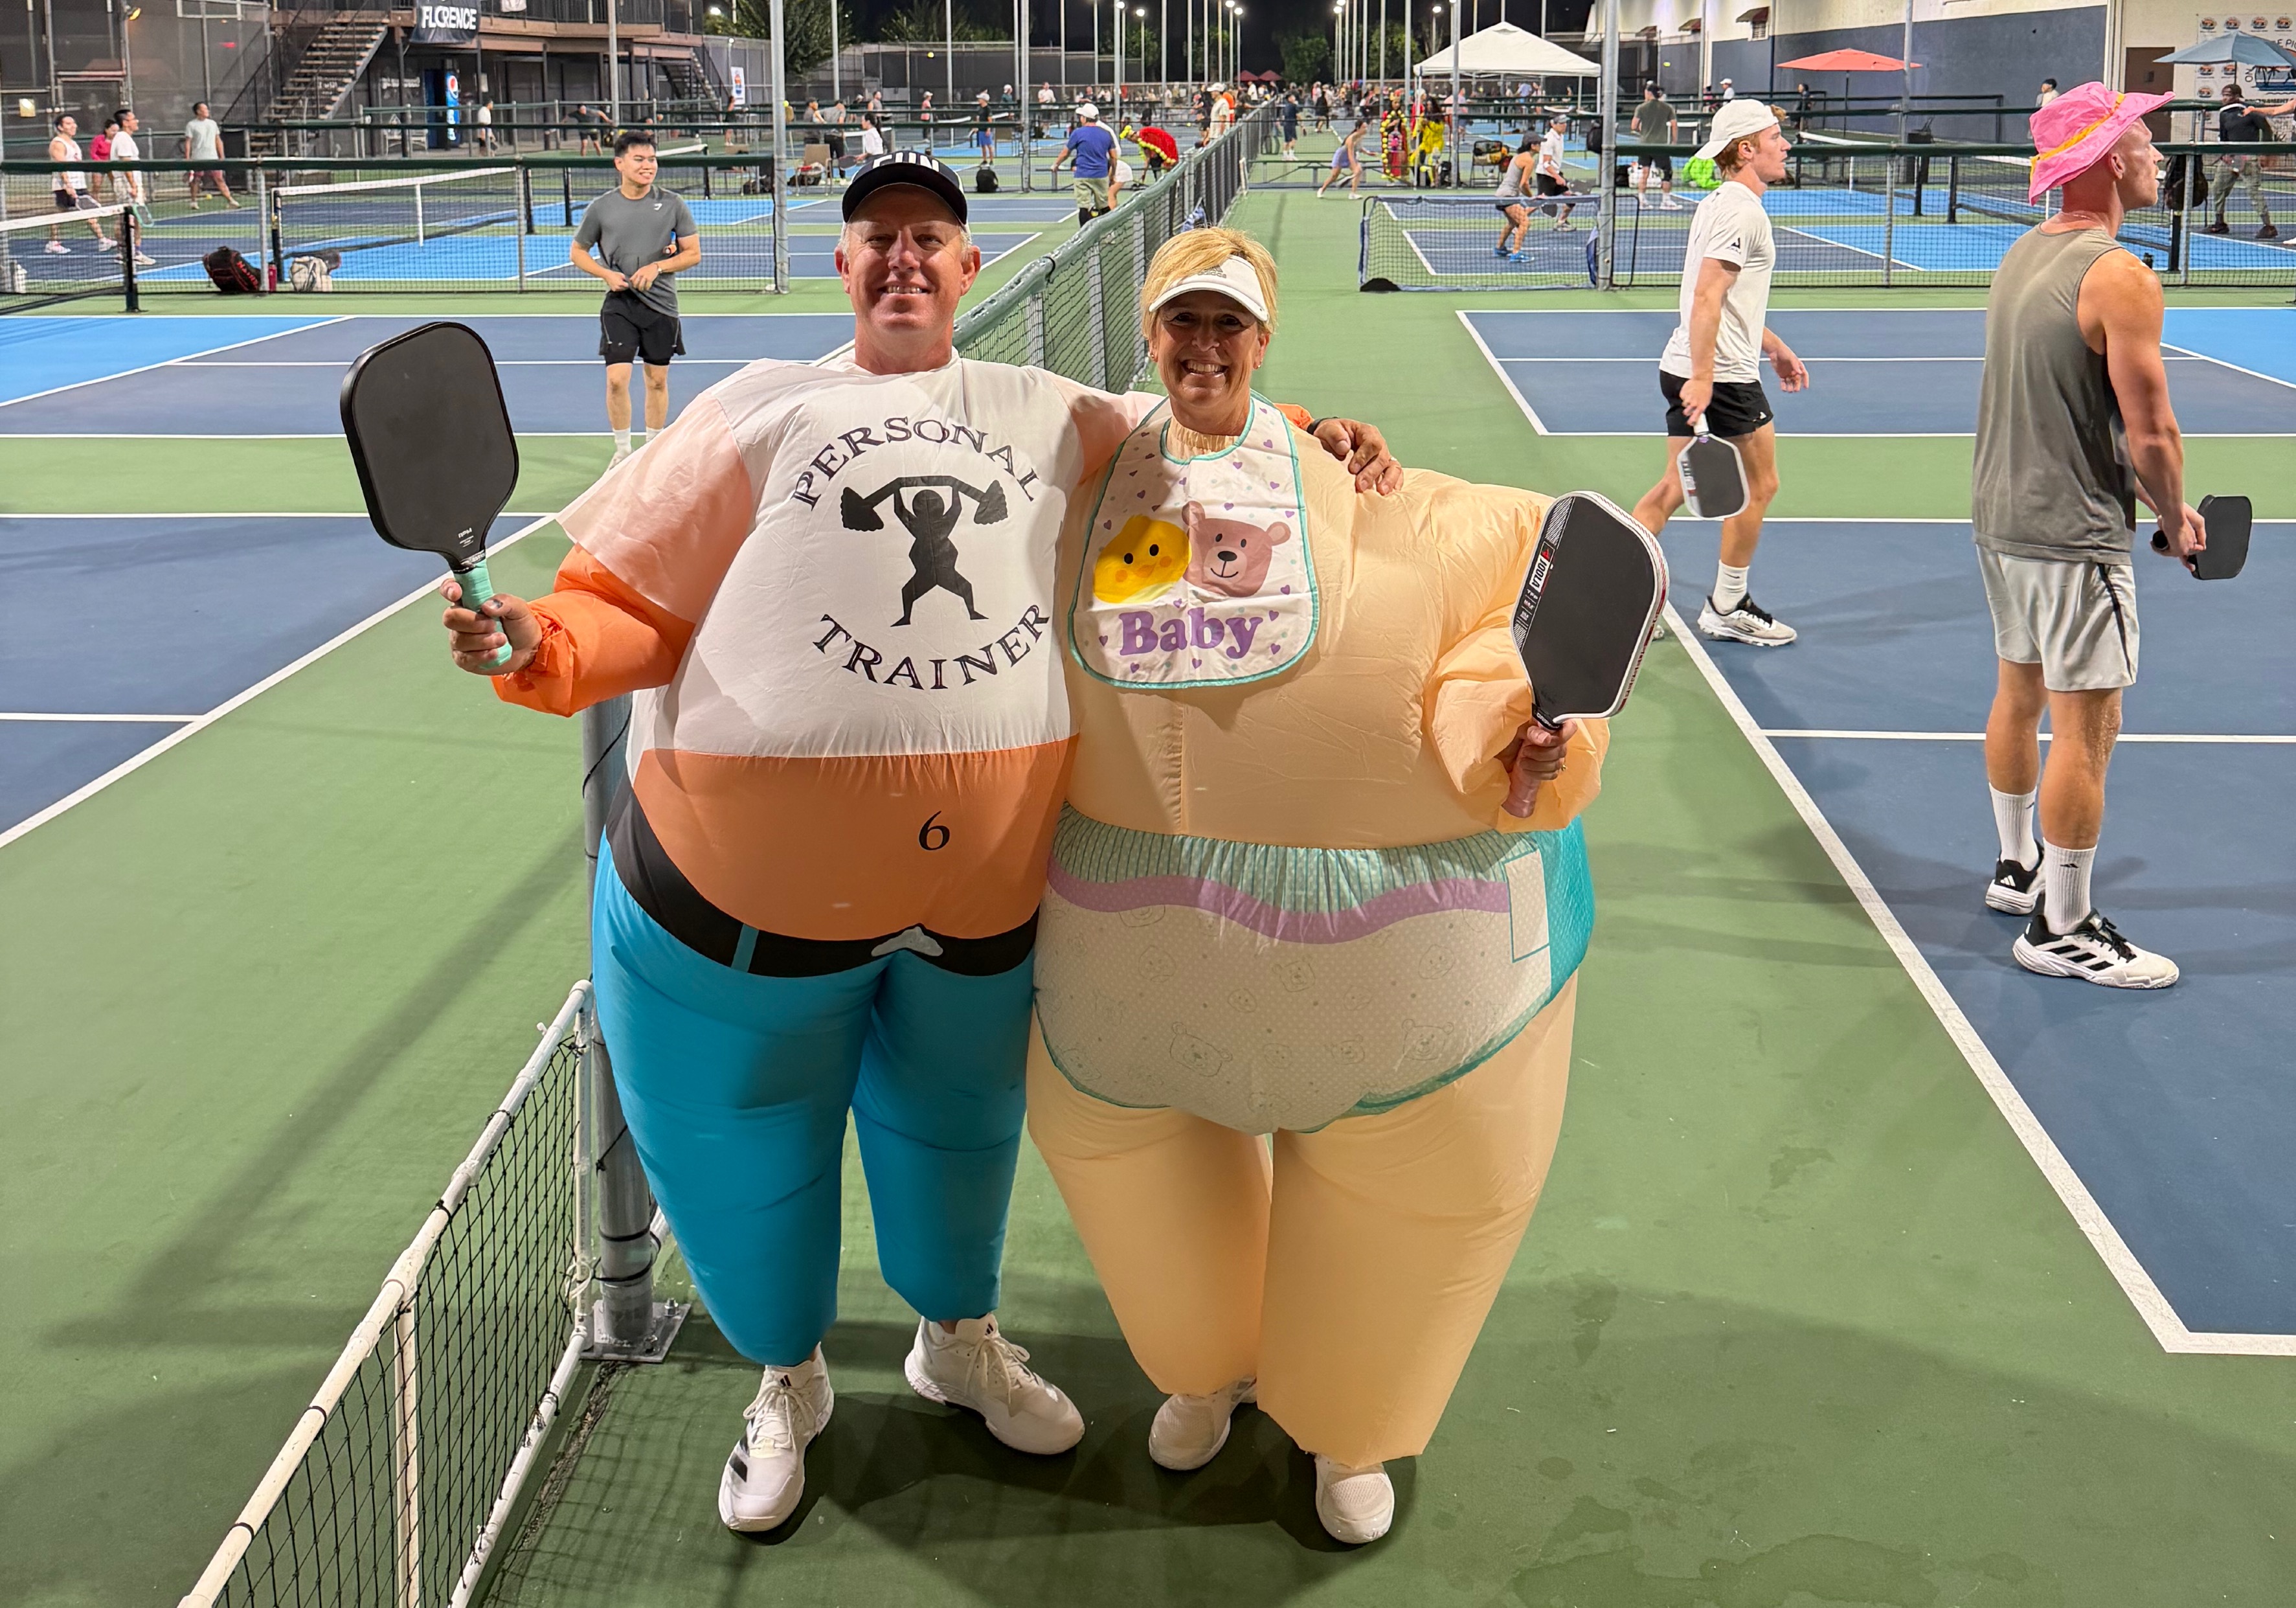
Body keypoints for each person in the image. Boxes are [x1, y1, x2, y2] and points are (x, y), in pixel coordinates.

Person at [436, 151, 1396, 1537]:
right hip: (733, 923)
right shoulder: (756, 411)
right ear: (844, 265)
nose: (903, 258)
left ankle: (956, 1342)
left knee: (960, 1139)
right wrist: (538, 638)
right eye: (876, 237)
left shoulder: (1052, 411)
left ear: (965, 265)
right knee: (746, 1160)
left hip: (978, 916)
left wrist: (1323, 435)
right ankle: (787, 1380)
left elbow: (1208, 429)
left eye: (930, 238)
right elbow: (624, 607)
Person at [1027, 227, 1606, 1547]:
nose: (1205, 347)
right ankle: (1203, 1361)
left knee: (1413, 1195)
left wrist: (1516, 735)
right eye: (1185, 324)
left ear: (1264, 337)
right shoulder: (1085, 465)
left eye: (1229, 326)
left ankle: (1352, 1418)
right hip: (1129, 973)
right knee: (1130, 1168)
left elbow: (1504, 624)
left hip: (1386, 972)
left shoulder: (1363, 487)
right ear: (1152, 334)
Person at [1972, 82, 2194, 988]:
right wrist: (2175, 516)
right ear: (2109, 159)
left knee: (2017, 694)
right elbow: (2151, 433)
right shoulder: (2119, 275)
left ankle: (2014, 864)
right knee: (2087, 726)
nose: (2157, 156)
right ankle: (2061, 925)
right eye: (2145, 141)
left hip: (2000, 518)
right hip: (2073, 531)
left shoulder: (2020, 255)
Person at [1628, 98, 1810, 646]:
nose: (1786, 145)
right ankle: (1728, 605)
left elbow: (1728, 303)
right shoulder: (1741, 211)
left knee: (1671, 489)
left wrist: (1773, 345)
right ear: (1747, 149)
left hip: (1686, 362)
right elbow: (1707, 296)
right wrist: (1706, 378)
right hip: (1721, 377)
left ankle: (1624, 598)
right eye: (1775, 137)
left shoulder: (1720, 203)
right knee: (1762, 485)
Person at [571, 131, 702, 469]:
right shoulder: (601, 208)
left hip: (662, 306)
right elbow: (578, 251)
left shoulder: (673, 204)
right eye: (639, 159)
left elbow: (693, 254)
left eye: (652, 159)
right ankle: (623, 451)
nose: (648, 166)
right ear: (620, 163)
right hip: (620, 304)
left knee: (656, 381)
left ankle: (653, 449)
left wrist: (658, 266)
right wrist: (606, 275)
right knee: (617, 380)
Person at [2204, 80, 2293, 240]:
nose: (2224, 98)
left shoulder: (2251, 112)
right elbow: (2223, 136)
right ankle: (2219, 222)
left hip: (2249, 158)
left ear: (2237, 97)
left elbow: (2267, 131)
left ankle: (2268, 226)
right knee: (2218, 188)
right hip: (2230, 158)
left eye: (2228, 95)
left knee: (2253, 192)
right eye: (2223, 95)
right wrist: (2224, 154)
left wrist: (2265, 153)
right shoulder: (2224, 114)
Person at [45, 115, 114, 256]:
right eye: (68, 124)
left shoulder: (73, 143)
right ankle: (101, 240)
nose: (73, 126)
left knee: (65, 213)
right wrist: (68, 185)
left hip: (79, 184)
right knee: (77, 213)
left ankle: (54, 242)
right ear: (60, 127)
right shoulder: (58, 143)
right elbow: (61, 166)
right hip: (66, 186)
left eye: (74, 123)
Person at [1050, 100, 1118, 225]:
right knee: (1104, 205)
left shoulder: (1078, 133)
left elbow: (1066, 153)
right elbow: (1114, 157)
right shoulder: (1106, 134)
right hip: (1101, 175)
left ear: (1085, 118)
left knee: (1084, 207)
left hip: (1082, 175)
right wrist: (1112, 174)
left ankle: (1084, 235)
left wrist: (1056, 165)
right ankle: (1110, 234)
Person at [106, 108, 157, 266]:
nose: (137, 121)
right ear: (125, 122)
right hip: (126, 185)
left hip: (131, 184)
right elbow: (126, 163)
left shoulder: (126, 138)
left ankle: (129, 252)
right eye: (133, 119)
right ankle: (130, 253)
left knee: (133, 218)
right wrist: (134, 186)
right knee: (127, 219)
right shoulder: (122, 138)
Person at [1631, 83, 1683, 210]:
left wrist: (1642, 131)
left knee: (1645, 173)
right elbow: (1674, 125)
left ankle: (1642, 201)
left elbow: (1633, 126)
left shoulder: (1641, 108)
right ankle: (1666, 200)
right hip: (1660, 145)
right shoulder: (1667, 108)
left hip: (1644, 145)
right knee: (1667, 173)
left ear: (1649, 93)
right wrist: (1674, 142)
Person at [182, 102, 238, 208]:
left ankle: (231, 201)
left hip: (213, 158)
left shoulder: (212, 124)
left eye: (207, 109)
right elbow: (188, 142)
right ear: (198, 111)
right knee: (196, 180)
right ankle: (193, 202)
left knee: (219, 179)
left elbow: (218, 140)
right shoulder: (191, 125)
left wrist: (222, 156)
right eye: (204, 109)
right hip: (198, 158)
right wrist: (187, 158)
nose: (207, 111)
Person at [1492, 133, 1539, 258]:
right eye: (1539, 143)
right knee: (1524, 222)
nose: (1541, 145)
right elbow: (1523, 184)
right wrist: (1532, 198)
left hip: (1501, 195)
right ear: (1533, 146)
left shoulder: (1519, 156)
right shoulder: (1529, 160)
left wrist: (1534, 204)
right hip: (1508, 196)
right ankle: (1516, 253)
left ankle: (1500, 248)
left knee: (1513, 222)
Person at [1533, 112, 1577, 230]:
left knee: (1571, 198)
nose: (1565, 125)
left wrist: (1558, 176)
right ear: (1553, 125)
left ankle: (1561, 222)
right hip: (1545, 175)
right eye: (1562, 123)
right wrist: (1557, 178)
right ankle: (1518, 222)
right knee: (1539, 202)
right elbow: (1546, 163)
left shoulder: (1561, 137)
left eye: (1566, 123)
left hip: (1555, 173)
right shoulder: (1549, 140)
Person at [1314, 115, 1367, 197]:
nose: (1366, 129)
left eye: (1366, 127)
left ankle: (1353, 194)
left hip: (1350, 156)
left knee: (1359, 171)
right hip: (1341, 157)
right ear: (1358, 128)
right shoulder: (1351, 139)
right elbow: (1350, 154)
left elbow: (1359, 148)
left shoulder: (1360, 137)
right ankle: (1322, 189)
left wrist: (1368, 153)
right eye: (1364, 127)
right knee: (1334, 176)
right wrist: (1355, 166)